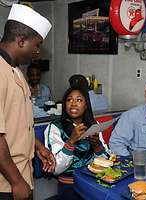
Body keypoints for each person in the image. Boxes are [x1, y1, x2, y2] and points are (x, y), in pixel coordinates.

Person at [0, 4, 55, 200]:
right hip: (5, 183)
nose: (38, 51)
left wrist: (38, 146)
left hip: (23, 174)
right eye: (37, 44)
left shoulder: (15, 70)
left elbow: (19, 126)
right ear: (21, 41)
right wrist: (15, 181)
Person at [44, 86, 108, 200]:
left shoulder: (93, 125)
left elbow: (106, 162)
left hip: (93, 182)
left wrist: (97, 145)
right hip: (69, 186)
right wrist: (71, 141)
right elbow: (56, 168)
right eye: (69, 100)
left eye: (79, 100)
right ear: (64, 105)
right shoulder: (55, 127)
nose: (73, 103)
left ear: (86, 105)